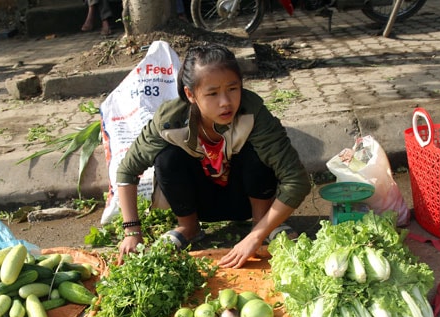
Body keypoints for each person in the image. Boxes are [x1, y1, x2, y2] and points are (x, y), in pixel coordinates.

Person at [116, 43, 310, 268]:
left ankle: (262, 225)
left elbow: (297, 180)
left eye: (233, 88)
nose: (225, 102)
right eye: (212, 93)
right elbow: (127, 171)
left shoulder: (253, 113)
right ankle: (188, 228)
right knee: (167, 158)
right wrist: (131, 230)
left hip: (245, 200)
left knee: (256, 154)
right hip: (200, 202)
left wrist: (254, 237)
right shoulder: (170, 121)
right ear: (191, 94)